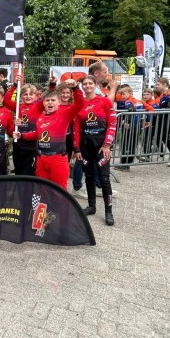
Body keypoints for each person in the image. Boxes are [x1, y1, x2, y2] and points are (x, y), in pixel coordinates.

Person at [17, 79, 84, 189]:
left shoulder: (65, 114)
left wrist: (76, 88)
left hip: (57, 159)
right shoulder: (41, 116)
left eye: (53, 100)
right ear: (43, 103)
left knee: (59, 191)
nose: (50, 103)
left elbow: (80, 104)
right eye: (47, 100)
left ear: (59, 102)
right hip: (41, 158)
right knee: (42, 189)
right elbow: (38, 135)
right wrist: (22, 135)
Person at [74, 75, 117, 226]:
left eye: (90, 83)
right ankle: (91, 207)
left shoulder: (105, 101)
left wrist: (107, 145)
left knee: (104, 179)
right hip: (86, 146)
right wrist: (77, 148)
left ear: (95, 85)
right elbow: (76, 128)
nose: (87, 86)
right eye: (85, 84)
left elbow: (112, 123)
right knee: (89, 176)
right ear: (82, 86)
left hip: (101, 146)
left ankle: (108, 212)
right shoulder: (80, 104)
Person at [3, 80, 39, 176]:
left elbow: (47, 96)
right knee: (18, 171)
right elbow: (6, 101)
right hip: (18, 144)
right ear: (21, 96)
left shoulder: (38, 107)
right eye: (25, 94)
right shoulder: (19, 106)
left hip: (31, 145)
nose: (28, 96)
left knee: (29, 173)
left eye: (31, 94)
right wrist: (14, 85)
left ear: (36, 96)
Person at [115, 86, 154, 170]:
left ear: (130, 93)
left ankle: (124, 164)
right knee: (132, 144)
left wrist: (126, 122)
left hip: (130, 126)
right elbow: (150, 108)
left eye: (124, 94)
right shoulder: (139, 101)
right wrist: (148, 120)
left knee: (126, 144)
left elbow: (131, 111)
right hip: (137, 126)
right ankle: (127, 163)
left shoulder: (128, 102)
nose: (122, 96)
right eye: (121, 94)